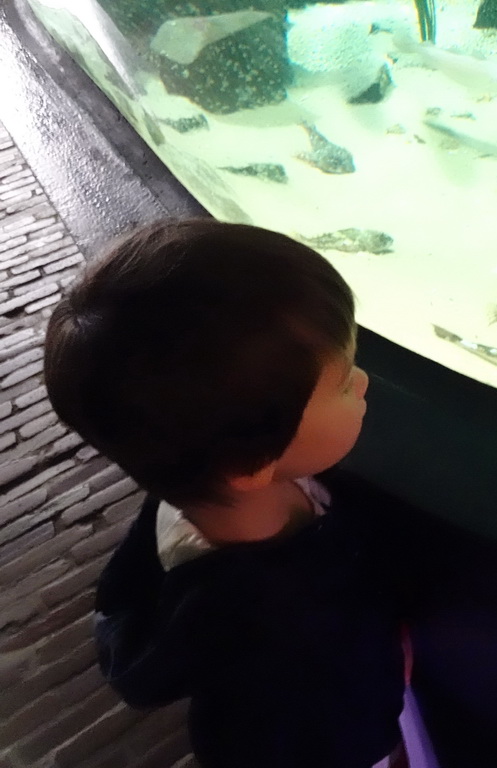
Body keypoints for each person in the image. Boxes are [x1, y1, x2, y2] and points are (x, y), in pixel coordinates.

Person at [43, 218, 411, 768]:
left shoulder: (186, 496)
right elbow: (304, 723)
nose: (362, 382)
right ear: (249, 464)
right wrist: (382, 690)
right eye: (343, 381)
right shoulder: (273, 620)